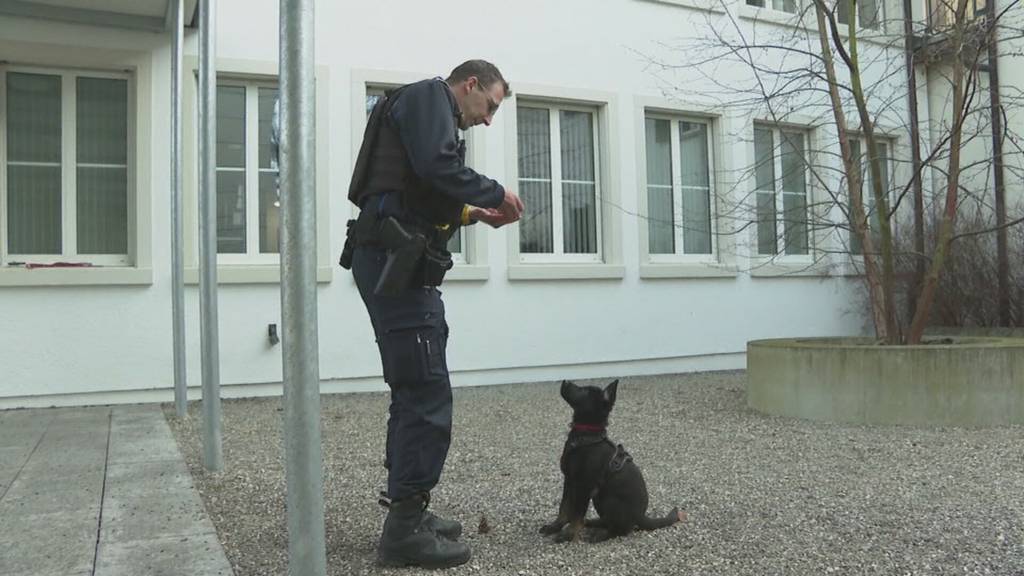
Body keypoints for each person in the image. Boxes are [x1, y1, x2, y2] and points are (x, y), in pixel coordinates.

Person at [342, 60, 524, 569]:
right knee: (425, 390)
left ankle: (410, 511)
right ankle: (402, 532)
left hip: (396, 262)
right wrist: (497, 194)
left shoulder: (429, 111)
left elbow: (419, 188)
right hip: (394, 264)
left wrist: (472, 214)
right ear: (470, 85)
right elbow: (436, 168)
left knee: (413, 387)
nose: (488, 120)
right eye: (489, 105)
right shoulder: (429, 97)